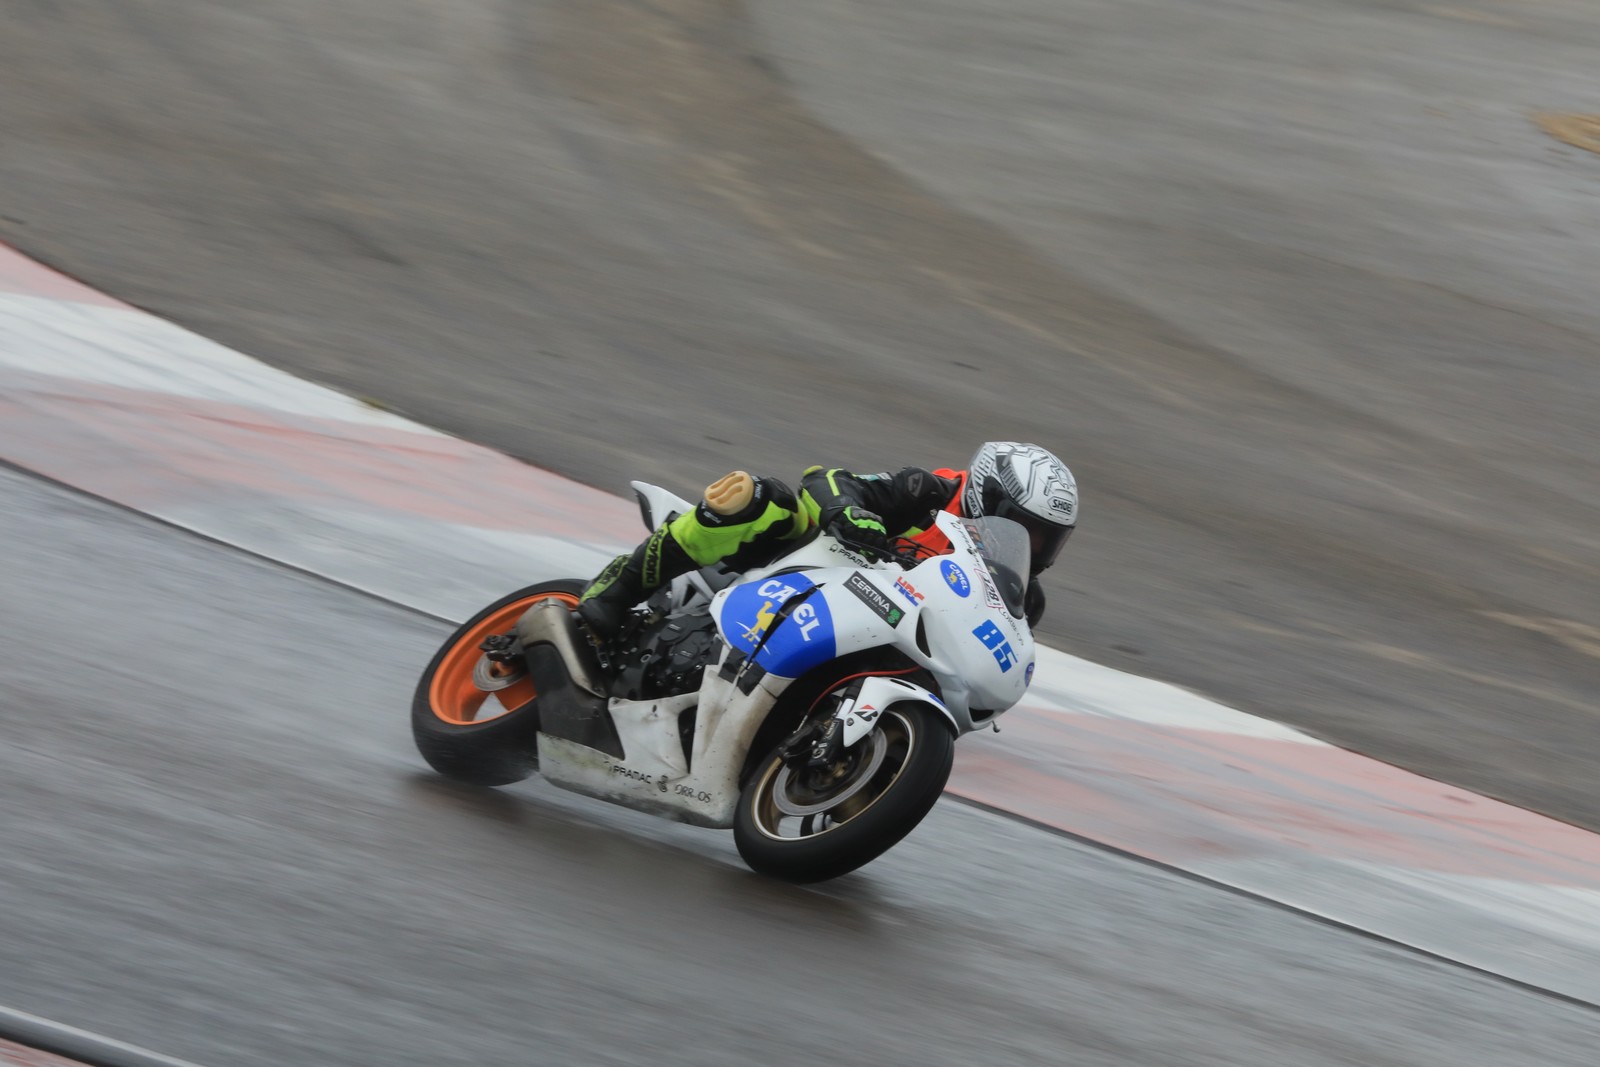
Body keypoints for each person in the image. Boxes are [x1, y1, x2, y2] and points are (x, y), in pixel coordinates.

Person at [576, 441, 1078, 638]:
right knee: (759, 498)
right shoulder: (926, 492)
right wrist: (851, 515)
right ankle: (619, 586)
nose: (1034, 547)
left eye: (1047, 539)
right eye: (1027, 528)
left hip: (869, 629)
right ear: (987, 497)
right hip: (802, 570)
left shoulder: (1018, 593)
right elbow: (828, 481)